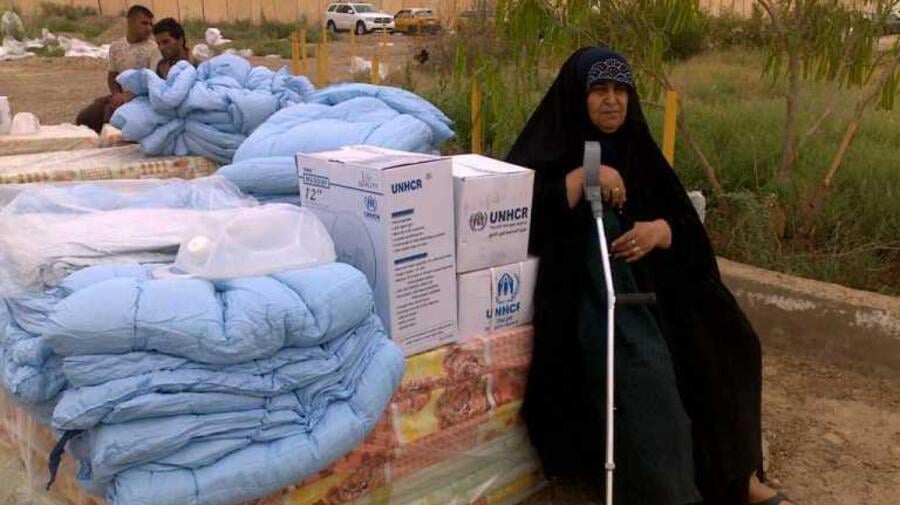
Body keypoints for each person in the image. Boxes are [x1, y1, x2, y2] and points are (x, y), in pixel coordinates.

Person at [506, 47, 792, 505]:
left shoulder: (638, 148)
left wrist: (660, 231)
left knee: (731, 339)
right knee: (646, 367)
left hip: (657, 283)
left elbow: (686, 229)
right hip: (591, 292)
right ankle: (674, 492)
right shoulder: (551, 146)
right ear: (578, 96)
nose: (612, 100)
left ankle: (738, 478)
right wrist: (583, 177)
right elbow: (515, 219)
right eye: (599, 90)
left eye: (621, 90)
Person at [75, 5, 160, 133]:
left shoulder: (154, 49)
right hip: (120, 96)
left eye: (151, 24)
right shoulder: (116, 47)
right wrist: (116, 94)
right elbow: (112, 76)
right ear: (130, 22)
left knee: (110, 115)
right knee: (87, 116)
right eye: (144, 23)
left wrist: (127, 96)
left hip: (142, 98)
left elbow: (152, 81)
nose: (149, 28)